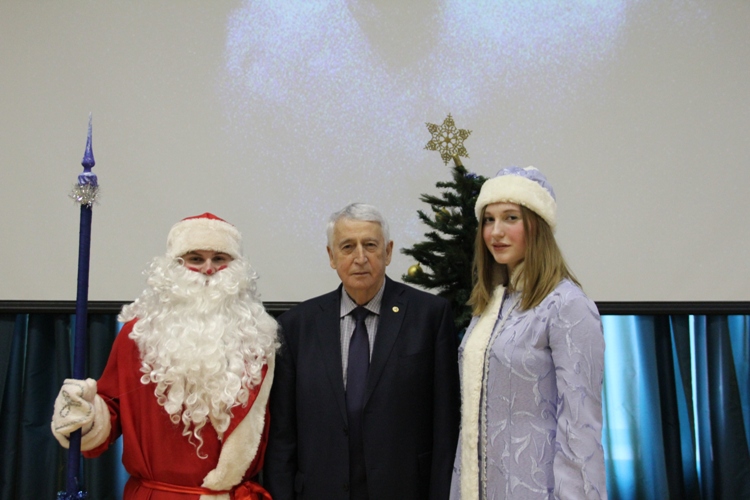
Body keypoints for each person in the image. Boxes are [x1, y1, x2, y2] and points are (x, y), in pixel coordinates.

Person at [50, 213, 278, 499]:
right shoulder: (139, 335)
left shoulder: (257, 338)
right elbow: (110, 409)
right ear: (175, 266)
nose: (209, 269)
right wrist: (84, 415)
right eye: (196, 259)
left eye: (219, 258)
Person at [264, 203, 460, 500]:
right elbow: (282, 437)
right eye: (347, 247)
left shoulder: (429, 316)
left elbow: (445, 428)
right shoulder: (297, 326)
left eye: (370, 245)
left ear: (388, 252)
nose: (360, 258)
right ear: (332, 256)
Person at [450, 167, 607, 499]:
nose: (496, 232)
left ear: (537, 226)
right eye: (489, 220)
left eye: (511, 218)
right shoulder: (490, 305)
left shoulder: (567, 305)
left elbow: (581, 425)